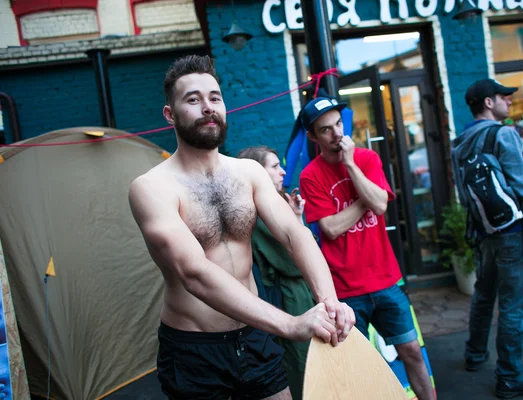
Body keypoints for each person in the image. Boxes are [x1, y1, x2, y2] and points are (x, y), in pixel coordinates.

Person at [128, 55, 355, 400]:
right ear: (170, 115)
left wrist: (329, 301)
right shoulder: (151, 187)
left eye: (214, 98)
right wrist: (290, 324)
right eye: (193, 99)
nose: (207, 107)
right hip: (195, 347)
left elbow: (295, 234)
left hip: (254, 336)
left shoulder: (248, 172)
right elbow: (194, 272)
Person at [299, 97, 435, 400]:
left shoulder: (366, 158)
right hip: (345, 290)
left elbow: (382, 205)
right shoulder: (310, 176)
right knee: (359, 366)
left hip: (386, 281)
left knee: (411, 351)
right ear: (312, 136)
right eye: (325, 130)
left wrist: (350, 166)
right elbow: (331, 229)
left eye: (338, 125)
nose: (336, 134)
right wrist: (367, 199)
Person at [450, 78, 523, 399]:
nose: (509, 101)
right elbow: (521, 187)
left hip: (483, 232)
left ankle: (475, 355)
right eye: (504, 96)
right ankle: (509, 377)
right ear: (488, 103)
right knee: (513, 306)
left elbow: (464, 197)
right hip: (512, 232)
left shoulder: (459, 142)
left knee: (484, 295)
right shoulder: (503, 134)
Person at [237, 145, 316, 400]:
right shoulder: (261, 213)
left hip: (289, 294)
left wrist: (296, 219)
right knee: (302, 365)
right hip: (287, 298)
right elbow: (295, 263)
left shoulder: (269, 205)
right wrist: (295, 225)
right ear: (257, 172)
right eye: (274, 167)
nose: (283, 172)